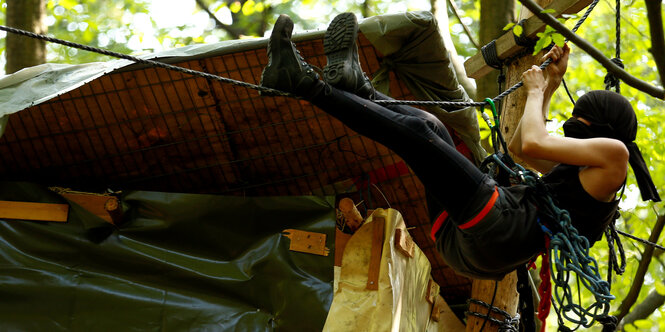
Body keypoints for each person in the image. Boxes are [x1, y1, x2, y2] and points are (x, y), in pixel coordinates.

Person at [260, 13, 660, 280]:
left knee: (418, 139)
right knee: (429, 125)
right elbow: (523, 148)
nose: (572, 134)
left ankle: (301, 83)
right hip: (467, 243)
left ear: (605, 133)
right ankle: (357, 87)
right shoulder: (583, 179)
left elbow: (536, 139)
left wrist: (535, 93)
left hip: (499, 230)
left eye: (580, 128)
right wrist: (550, 88)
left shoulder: (615, 157)